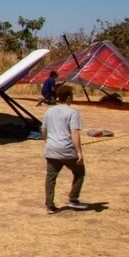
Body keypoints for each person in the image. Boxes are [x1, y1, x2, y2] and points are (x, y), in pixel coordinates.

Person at [42, 86, 88, 214]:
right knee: (80, 172)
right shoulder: (72, 112)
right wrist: (79, 152)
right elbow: (74, 132)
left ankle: (50, 205)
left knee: (51, 177)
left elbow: (43, 130)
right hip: (67, 150)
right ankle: (73, 198)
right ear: (68, 97)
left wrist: (48, 141)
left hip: (51, 149)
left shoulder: (49, 111)